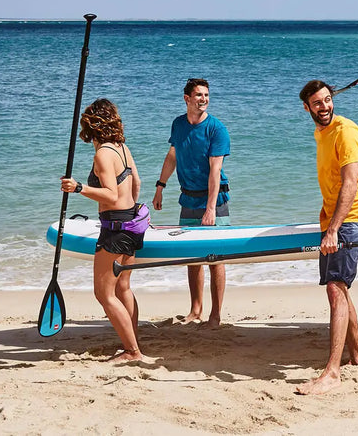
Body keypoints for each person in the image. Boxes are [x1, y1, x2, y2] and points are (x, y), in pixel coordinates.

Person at [296, 80, 358, 395]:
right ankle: (356, 356)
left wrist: (333, 229)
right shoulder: (321, 133)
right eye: (317, 103)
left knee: (334, 288)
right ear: (307, 108)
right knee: (339, 288)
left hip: (351, 219)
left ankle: (331, 372)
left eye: (327, 100)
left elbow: (350, 183)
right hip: (334, 219)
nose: (324, 106)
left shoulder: (346, 131)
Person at [60, 98, 148, 362]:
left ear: (91, 125)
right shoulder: (122, 148)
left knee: (104, 293)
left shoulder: (102, 154)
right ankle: (131, 340)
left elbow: (110, 195)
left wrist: (78, 188)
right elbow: (136, 183)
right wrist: (127, 208)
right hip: (133, 222)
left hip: (116, 229)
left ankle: (132, 351)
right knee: (123, 287)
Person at [152, 78, 231, 328]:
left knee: (216, 258)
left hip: (214, 201)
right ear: (187, 98)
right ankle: (195, 310)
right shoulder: (178, 124)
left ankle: (215, 314)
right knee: (192, 258)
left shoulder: (216, 129)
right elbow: (172, 155)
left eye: (206, 94)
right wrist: (160, 187)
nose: (204, 99)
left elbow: (215, 171)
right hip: (187, 199)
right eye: (199, 95)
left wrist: (210, 209)